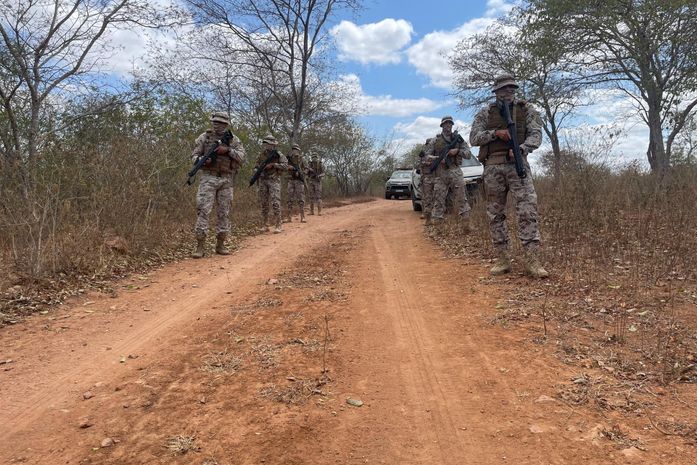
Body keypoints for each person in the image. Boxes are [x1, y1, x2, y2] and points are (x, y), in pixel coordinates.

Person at [469, 73, 549, 278]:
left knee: (527, 210)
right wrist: (496, 134)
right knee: (495, 215)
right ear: (496, 91)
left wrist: (521, 148)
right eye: (504, 89)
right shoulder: (485, 113)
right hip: (493, 168)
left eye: (512, 88)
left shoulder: (527, 110)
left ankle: (532, 260)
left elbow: (536, 135)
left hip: (518, 165)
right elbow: (474, 138)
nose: (508, 92)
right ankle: (502, 259)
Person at [190, 112, 245, 258]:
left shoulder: (234, 140)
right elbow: (194, 156)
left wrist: (228, 150)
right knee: (203, 211)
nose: (217, 125)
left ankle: (220, 244)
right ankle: (200, 246)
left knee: (224, 213)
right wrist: (202, 160)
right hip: (208, 177)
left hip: (226, 179)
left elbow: (242, 157)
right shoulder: (204, 137)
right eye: (215, 122)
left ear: (226, 124)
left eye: (220, 123)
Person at [424, 116, 473, 228]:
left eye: (450, 123)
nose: (448, 125)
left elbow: (468, 154)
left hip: (455, 170)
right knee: (439, 200)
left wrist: (458, 151)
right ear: (442, 125)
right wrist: (437, 158)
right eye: (446, 123)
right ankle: (438, 226)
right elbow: (426, 157)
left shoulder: (458, 139)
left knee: (461, 198)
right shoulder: (435, 141)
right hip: (440, 173)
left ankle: (466, 225)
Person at [254, 134, 288, 233]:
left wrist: (274, 165)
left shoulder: (279, 154)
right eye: (265, 143)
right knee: (263, 203)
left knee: (275, 202)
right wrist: (257, 170)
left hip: (274, 180)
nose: (267, 145)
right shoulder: (261, 154)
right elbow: (255, 166)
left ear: (273, 145)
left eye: (268, 143)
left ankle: (278, 224)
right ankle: (265, 224)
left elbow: (285, 166)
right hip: (263, 180)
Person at [285, 143, 307, 223]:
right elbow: (284, 166)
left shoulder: (302, 159)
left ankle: (303, 216)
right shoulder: (288, 159)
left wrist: (302, 173)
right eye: (294, 149)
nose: (295, 151)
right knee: (289, 199)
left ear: (298, 150)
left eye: (296, 149)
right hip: (291, 180)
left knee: (301, 199)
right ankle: (289, 217)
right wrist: (288, 167)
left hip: (299, 181)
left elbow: (307, 169)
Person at [417, 138, 435, 224]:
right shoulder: (423, 155)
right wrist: (425, 163)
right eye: (427, 144)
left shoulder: (435, 153)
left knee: (434, 196)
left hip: (435, 176)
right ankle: (425, 213)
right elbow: (419, 164)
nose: (429, 145)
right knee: (426, 197)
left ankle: (433, 214)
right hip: (425, 177)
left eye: (430, 144)